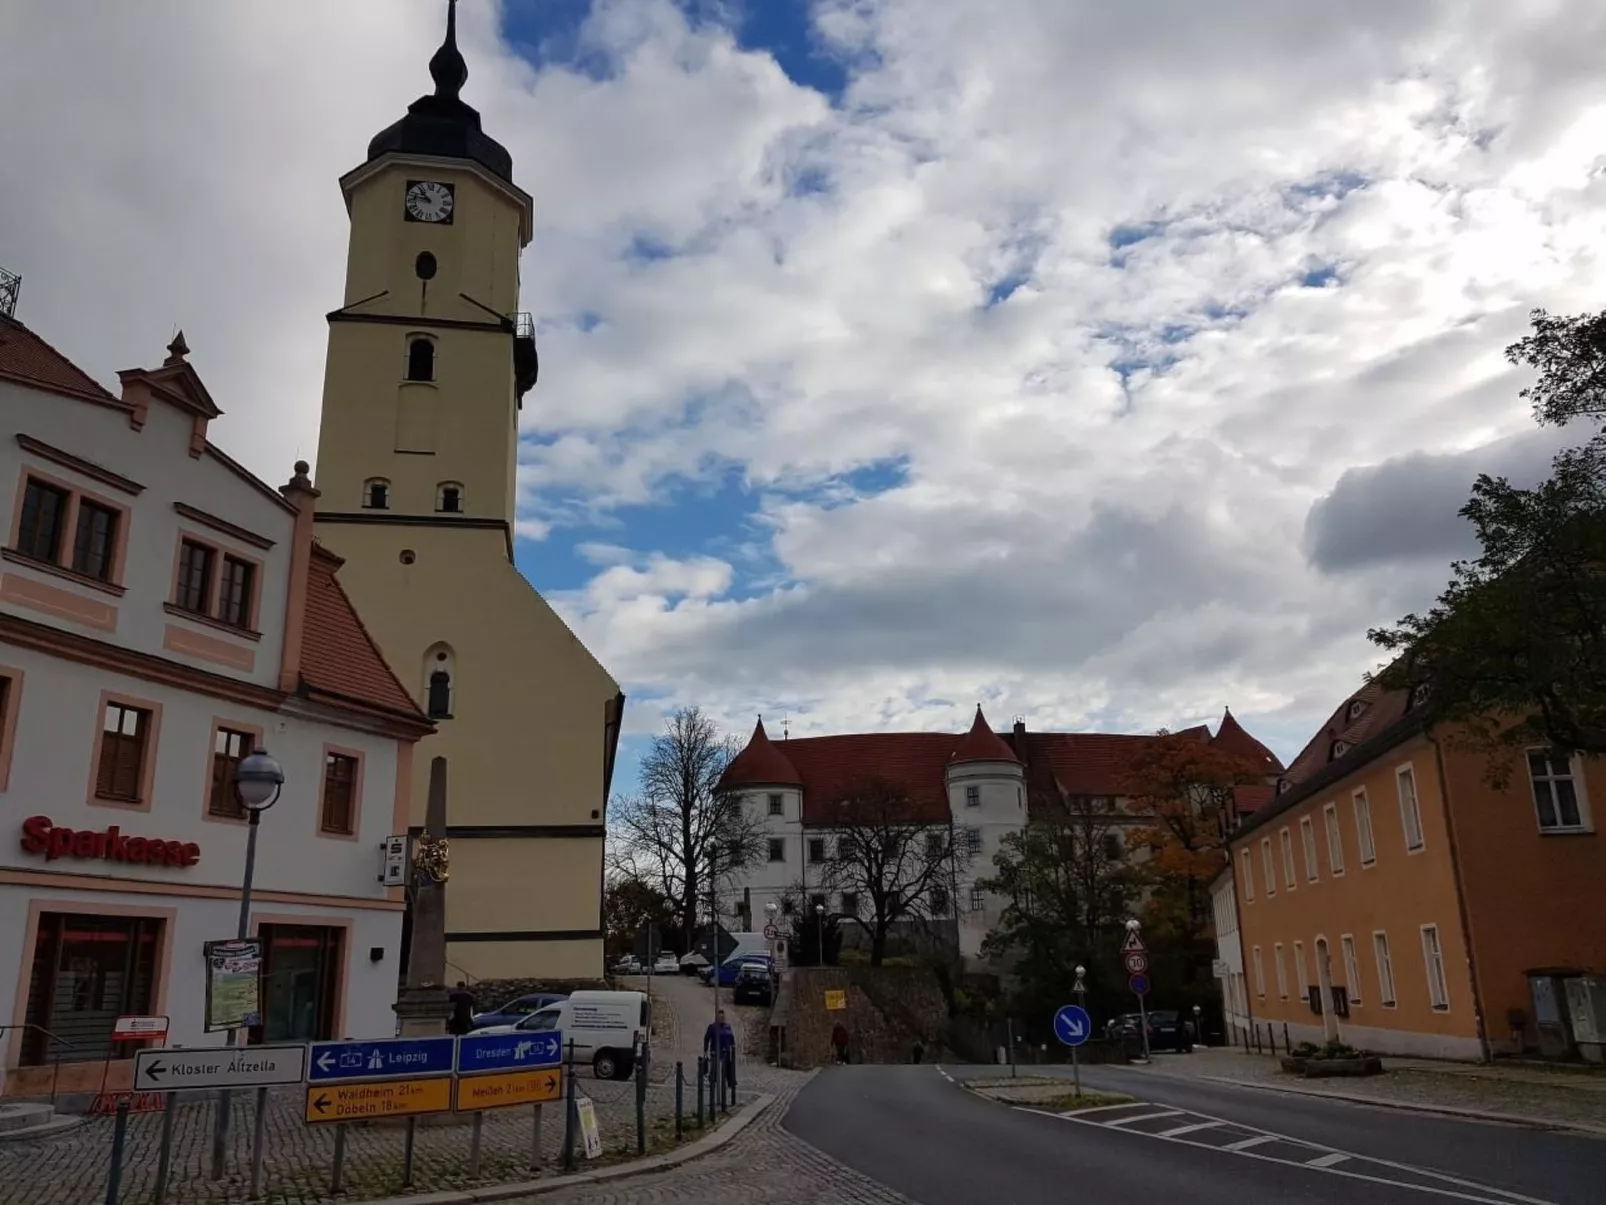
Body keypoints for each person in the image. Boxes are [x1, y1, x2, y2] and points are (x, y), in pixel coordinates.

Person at [704, 1008, 737, 1095]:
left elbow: (731, 1037)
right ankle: (712, 1080)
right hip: (715, 1050)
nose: (722, 1018)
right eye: (720, 1017)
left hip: (726, 1050)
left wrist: (733, 1045)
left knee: (728, 1066)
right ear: (717, 1018)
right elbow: (707, 1038)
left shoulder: (728, 1026)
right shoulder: (712, 1027)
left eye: (723, 1017)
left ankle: (730, 1081)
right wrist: (705, 1050)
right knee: (714, 1066)